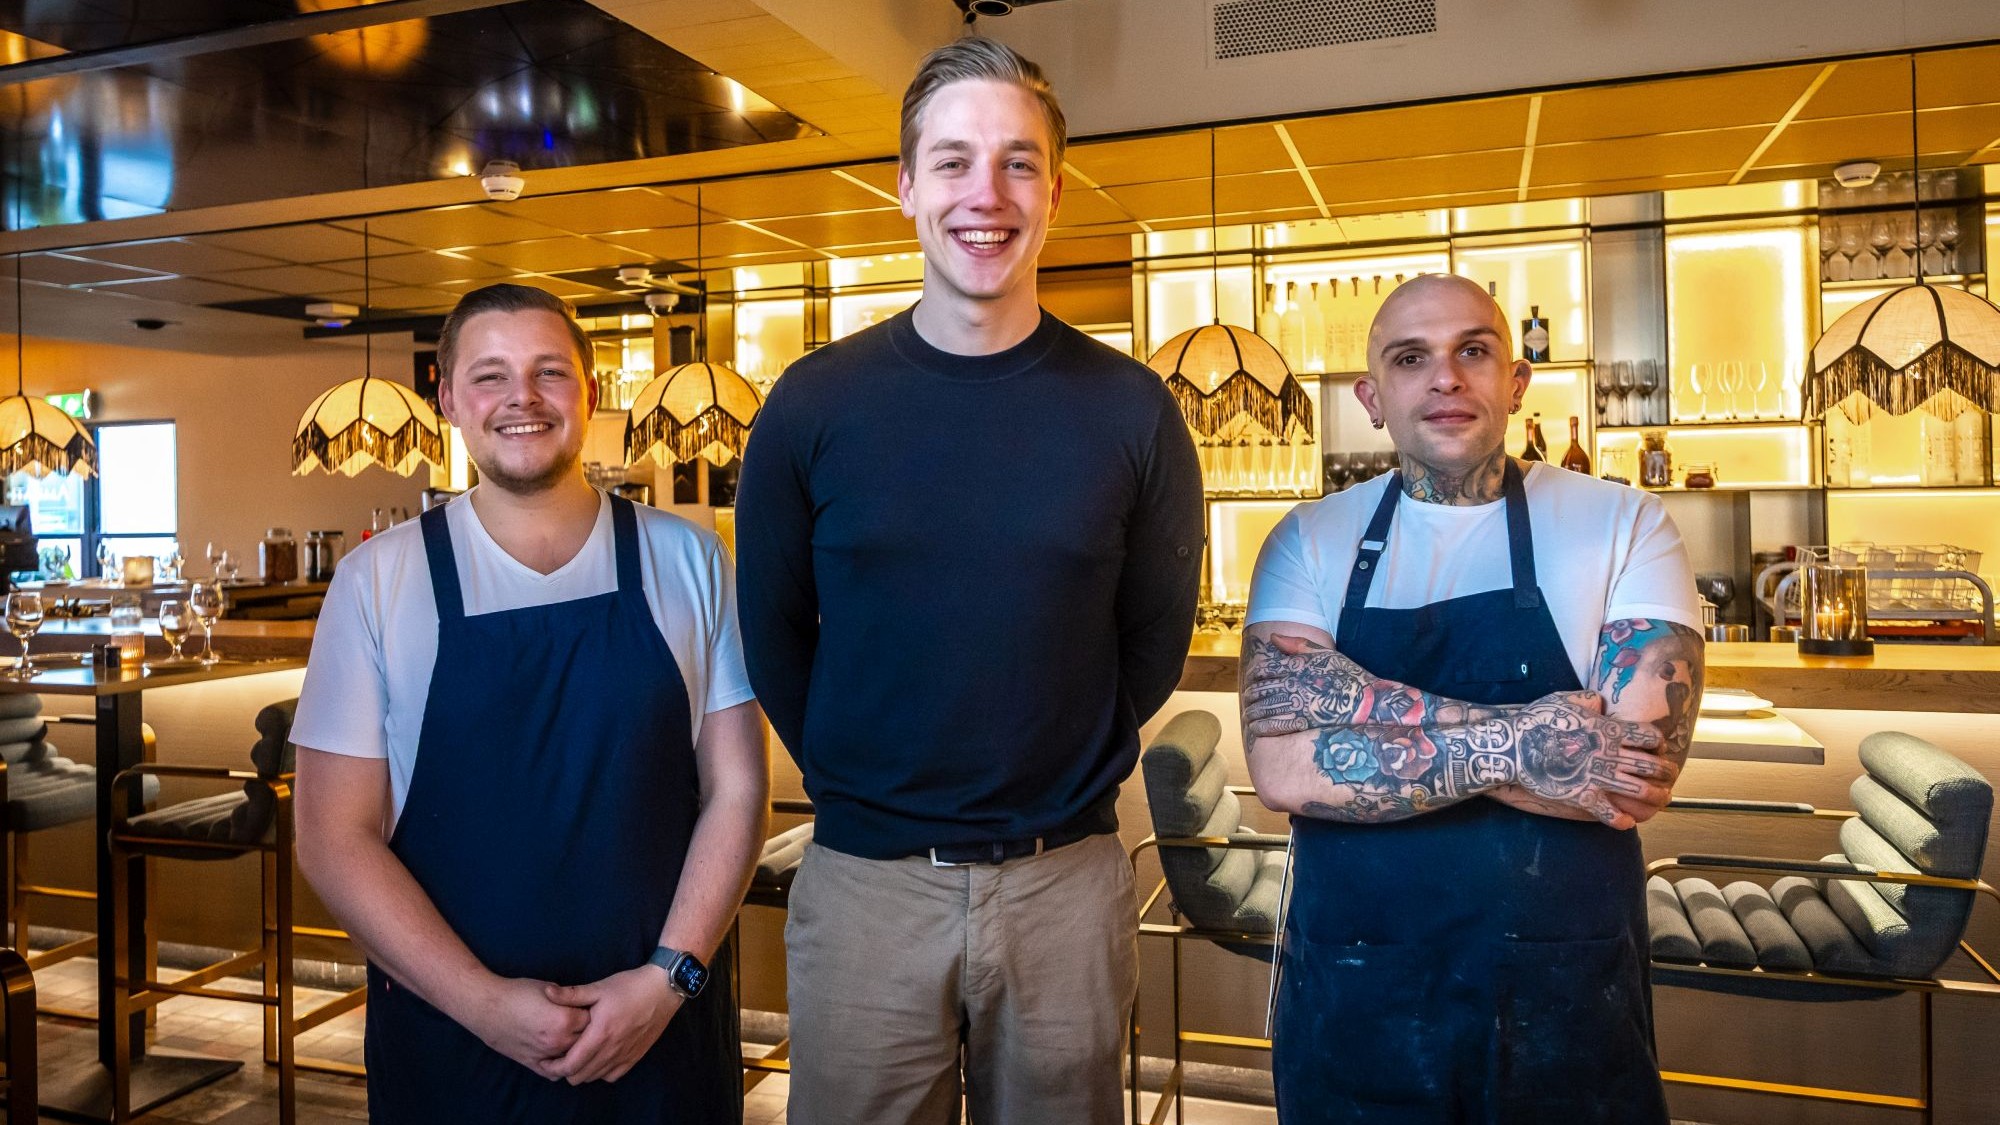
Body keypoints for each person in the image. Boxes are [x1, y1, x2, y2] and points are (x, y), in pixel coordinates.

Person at [734, 36, 1204, 1125]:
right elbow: (773, 640)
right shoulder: (811, 406)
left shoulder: (1131, 412)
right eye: (950, 162)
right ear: (903, 188)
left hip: (1067, 886)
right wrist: (879, 788)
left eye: (1016, 163)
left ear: (1053, 189)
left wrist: (1041, 769)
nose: (982, 195)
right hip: (864, 888)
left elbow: (1150, 644)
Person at [291, 283, 768, 1123]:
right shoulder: (376, 581)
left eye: (550, 371)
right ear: (447, 397)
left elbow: (737, 791)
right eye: (490, 375)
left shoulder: (691, 559)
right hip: (452, 1047)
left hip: (661, 1039)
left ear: (590, 391)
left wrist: (667, 978)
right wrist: (480, 1002)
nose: (522, 397)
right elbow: (333, 838)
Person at [1241, 273, 1703, 1123]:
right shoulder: (1307, 539)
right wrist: (1533, 739)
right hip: (1356, 984)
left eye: (1473, 351)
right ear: (1372, 397)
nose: (1445, 377)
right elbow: (1281, 764)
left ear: (1516, 381)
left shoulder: (1625, 522)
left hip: (1562, 985)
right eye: (1412, 358)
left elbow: (1631, 771)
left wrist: (1361, 710)